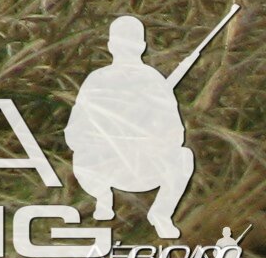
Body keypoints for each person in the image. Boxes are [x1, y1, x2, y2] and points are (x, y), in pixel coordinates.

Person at [68, 15, 199, 238]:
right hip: (105, 166)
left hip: (144, 168)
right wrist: (106, 140)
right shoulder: (98, 80)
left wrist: (149, 141)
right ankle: (102, 199)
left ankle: (161, 213)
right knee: (81, 158)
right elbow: (74, 134)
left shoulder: (154, 81)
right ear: (142, 45)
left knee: (184, 157)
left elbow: (176, 134)